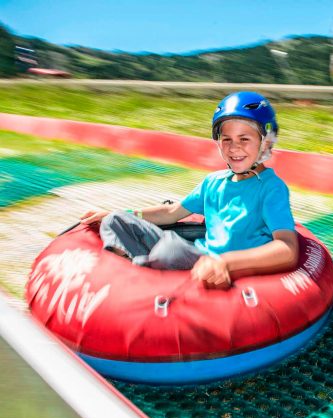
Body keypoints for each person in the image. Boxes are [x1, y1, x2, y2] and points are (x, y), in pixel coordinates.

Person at [80, 91, 299, 289]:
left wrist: (226, 262)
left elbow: (287, 248)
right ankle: (123, 268)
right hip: (196, 253)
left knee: (170, 249)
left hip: (216, 263)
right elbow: (171, 212)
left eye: (244, 139)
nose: (234, 147)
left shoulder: (271, 188)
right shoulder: (214, 182)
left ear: (266, 143)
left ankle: (133, 275)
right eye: (226, 139)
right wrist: (123, 214)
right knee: (115, 220)